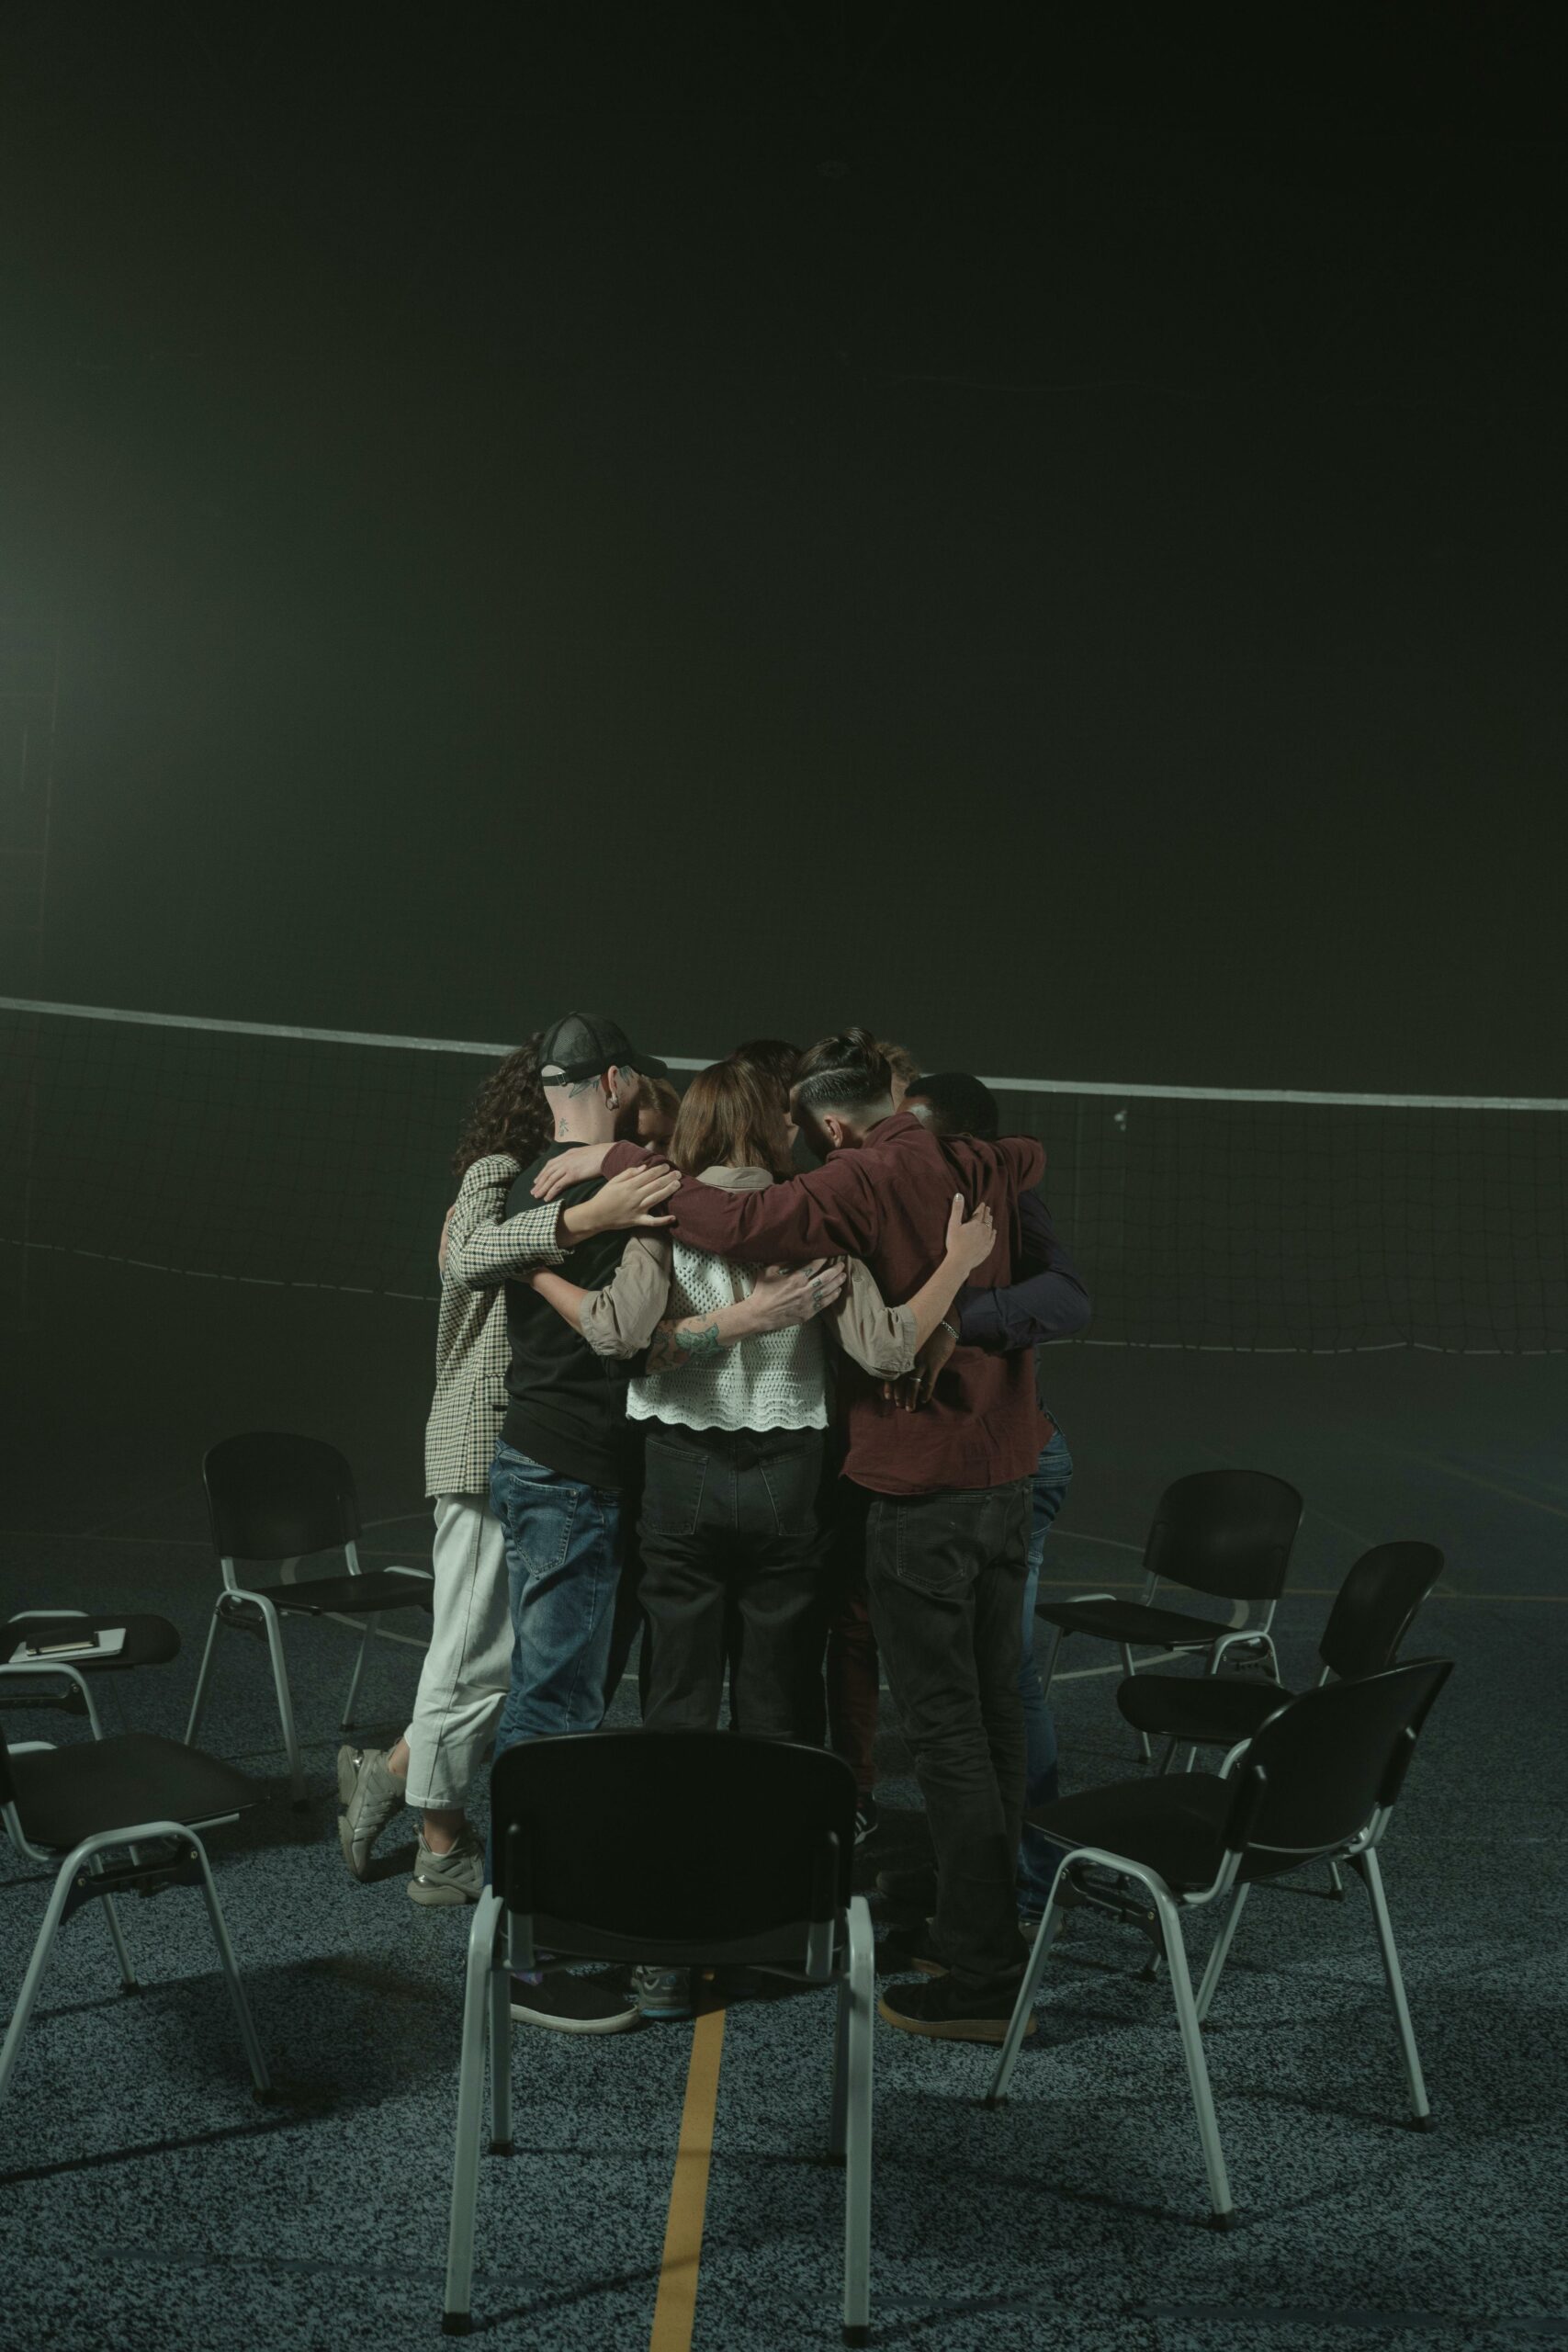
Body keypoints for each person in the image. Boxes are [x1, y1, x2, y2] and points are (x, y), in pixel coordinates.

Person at [572, 1029, 1049, 2043]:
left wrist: (576, 1228)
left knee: (676, 1710)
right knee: (784, 1717)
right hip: (801, 1482)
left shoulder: (684, 1211)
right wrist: (960, 1290)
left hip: (688, 1481)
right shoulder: (884, 1199)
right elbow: (887, 1338)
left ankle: (666, 1954)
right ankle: (780, 1932)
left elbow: (625, 1339)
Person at [334, 1036, 680, 1905]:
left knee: (511, 1656)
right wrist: (583, 1223)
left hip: (540, 1441)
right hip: (486, 1434)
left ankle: (390, 1775)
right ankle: (440, 1847)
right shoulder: (500, 1170)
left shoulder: (588, 1170)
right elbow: (467, 1257)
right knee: (475, 1654)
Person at [896, 1071, 1090, 1920]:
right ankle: (982, 1867)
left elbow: (1069, 1297)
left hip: (1016, 1462)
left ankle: (1033, 1869)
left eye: (915, 1134)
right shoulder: (889, 1191)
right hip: (956, 1466)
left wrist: (954, 1317)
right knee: (976, 1681)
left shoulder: (1001, 1192)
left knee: (1003, 1677)